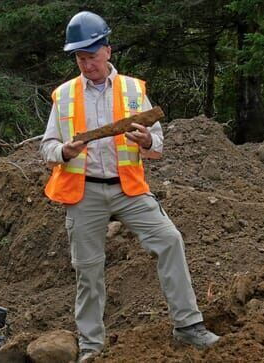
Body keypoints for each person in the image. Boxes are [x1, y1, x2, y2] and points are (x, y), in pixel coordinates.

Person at [40, 11, 219, 362]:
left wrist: (145, 142)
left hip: (128, 188)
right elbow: (47, 147)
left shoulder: (133, 90)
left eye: (91, 56)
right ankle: (92, 347)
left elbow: (159, 145)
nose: (86, 64)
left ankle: (188, 326)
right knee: (88, 270)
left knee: (169, 240)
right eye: (79, 58)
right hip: (84, 191)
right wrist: (63, 150)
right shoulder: (64, 95)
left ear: (107, 50)